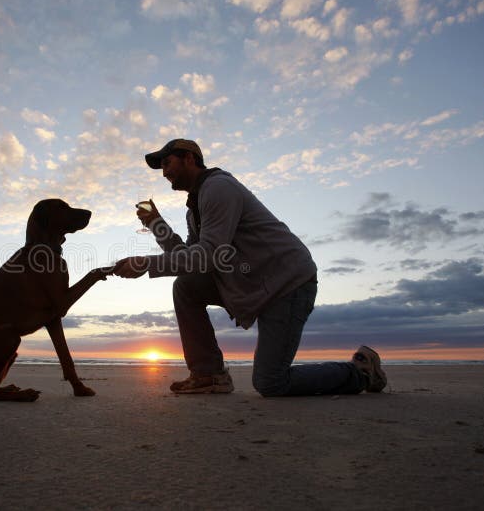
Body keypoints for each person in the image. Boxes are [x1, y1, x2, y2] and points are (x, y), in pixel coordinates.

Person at [113, 139, 387, 396]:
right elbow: (191, 261)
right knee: (186, 286)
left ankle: (360, 374)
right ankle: (209, 375)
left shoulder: (218, 188)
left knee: (271, 382)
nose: (164, 173)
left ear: (188, 158)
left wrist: (146, 263)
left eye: (167, 163)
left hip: (287, 285)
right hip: (253, 284)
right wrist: (156, 224)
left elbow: (206, 255)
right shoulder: (194, 209)